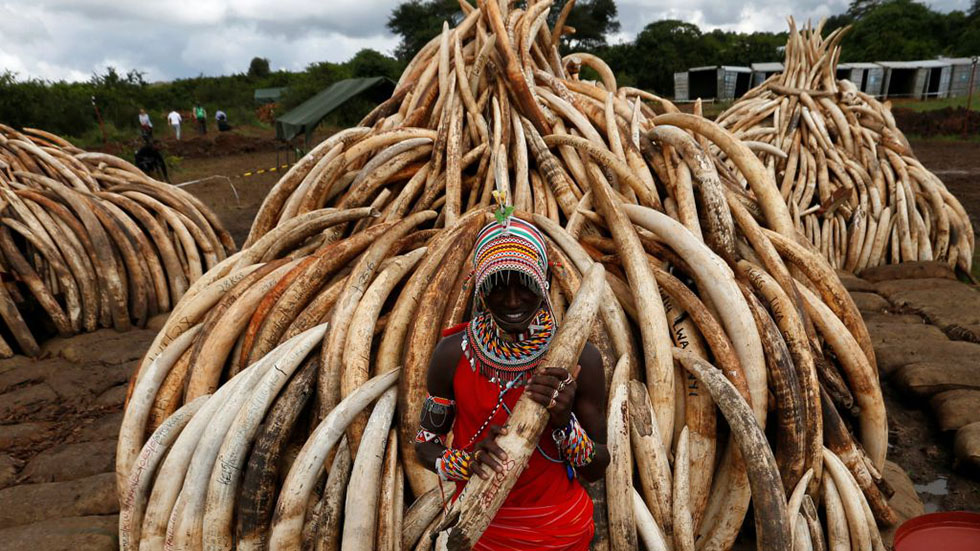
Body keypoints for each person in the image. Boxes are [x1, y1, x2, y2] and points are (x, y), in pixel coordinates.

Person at [415, 213, 609, 551]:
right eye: (497, 284)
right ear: (479, 285)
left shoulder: (582, 360)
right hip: (476, 531)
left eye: (525, 283)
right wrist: (466, 462)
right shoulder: (452, 354)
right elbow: (424, 444)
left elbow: (597, 467)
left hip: (560, 531)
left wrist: (565, 424)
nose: (513, 300)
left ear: (545, 279)